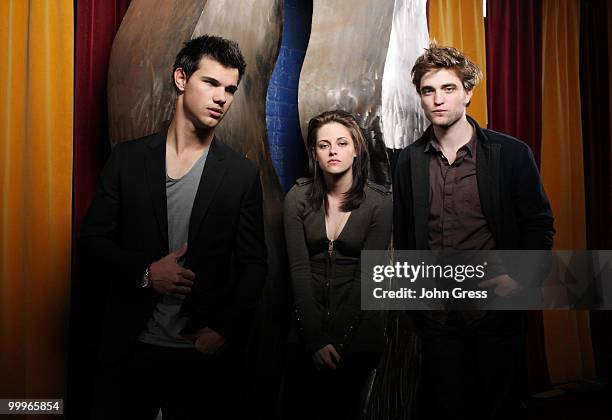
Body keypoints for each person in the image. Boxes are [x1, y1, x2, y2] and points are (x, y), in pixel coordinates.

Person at [79, 35, 267, 419]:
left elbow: (254, 265)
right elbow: (92, 242)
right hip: (130, 347)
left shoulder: (241, 174)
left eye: (230, 89)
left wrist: (222, 331)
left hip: (197, 354)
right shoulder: (127, 160)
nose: (222, 98)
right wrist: (147, 273)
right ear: (181, 79)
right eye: (211, 83)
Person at [393, 43, 554, 419]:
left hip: (494, 311)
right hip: (437, 316)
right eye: (428, 90)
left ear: (468, 92)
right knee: (447, 406)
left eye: (449, 88)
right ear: (420, 97)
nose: (438, 99)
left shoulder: (510, 154)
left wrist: (519, 280)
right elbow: (405, 235)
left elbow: (538, 224)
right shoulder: (408, 161)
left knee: (498, 405)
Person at [283, 110, 392, 419]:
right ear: (314, 154)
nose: (333, 151)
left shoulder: (379, 203)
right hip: (305, 333)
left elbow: (367, 278)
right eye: (324, 145)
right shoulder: (297, 198)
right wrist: (316, 340)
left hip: (359, 338)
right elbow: (298, 272)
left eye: (342, 143)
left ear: (356, 149)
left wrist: (336, 341)